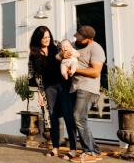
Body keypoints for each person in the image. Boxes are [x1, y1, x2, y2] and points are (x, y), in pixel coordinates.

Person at [28, 26, 78, 160]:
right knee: (52, 117)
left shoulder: (56, 45)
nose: (47, 40)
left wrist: (65, 56)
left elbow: (69, 53)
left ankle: (73, 149)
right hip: (48, 87)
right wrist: (39, 94)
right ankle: (55, 148)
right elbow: (33, 75)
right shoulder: (34, 54)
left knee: (68, 116)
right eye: (44, 38)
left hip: (63, 85)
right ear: (38, 38)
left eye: (48, 37)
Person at [59, 26, 105, 163]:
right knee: (77, 118)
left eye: (81, 40)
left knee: (78, 117)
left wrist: (75, 70)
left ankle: (89, 152)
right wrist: (62, 55)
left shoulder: (96, 49)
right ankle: (95, 151)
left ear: (90, 39)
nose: (77, 42)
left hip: (88, 87)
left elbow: (95, 72)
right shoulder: (74, 44)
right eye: (76, 38)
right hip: (74, 87)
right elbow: (60, 54)